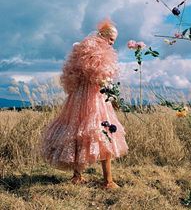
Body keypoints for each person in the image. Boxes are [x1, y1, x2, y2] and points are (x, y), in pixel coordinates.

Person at [40, 18, 128, 189]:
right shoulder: (99, 52)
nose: (111, 44)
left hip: (79, 96)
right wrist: (113, 96)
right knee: (102, 132)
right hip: (94, 97)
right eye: (111, 40)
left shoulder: (82, 48)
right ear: (103, 35)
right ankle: (108, 181)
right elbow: (102, 78)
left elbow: (73, 73)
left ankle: (77, 176)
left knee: (78, 130)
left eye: (113, 41)